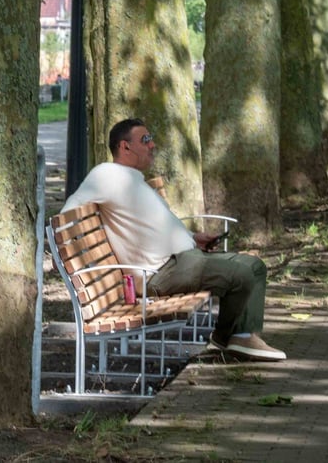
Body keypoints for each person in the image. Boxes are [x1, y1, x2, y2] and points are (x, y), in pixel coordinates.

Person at [61, 118, 286, 362]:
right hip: (160, 272)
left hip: (183, 260)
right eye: (145, 140)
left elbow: (157, 224)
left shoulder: (134, 179)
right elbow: (67, 214)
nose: (152, 145)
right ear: (124, 147)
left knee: (254, 266)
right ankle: (240, 336)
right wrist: (66, 254)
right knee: (242, 274)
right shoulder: (105, 174)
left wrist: (193, 238)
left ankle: (229, 338)